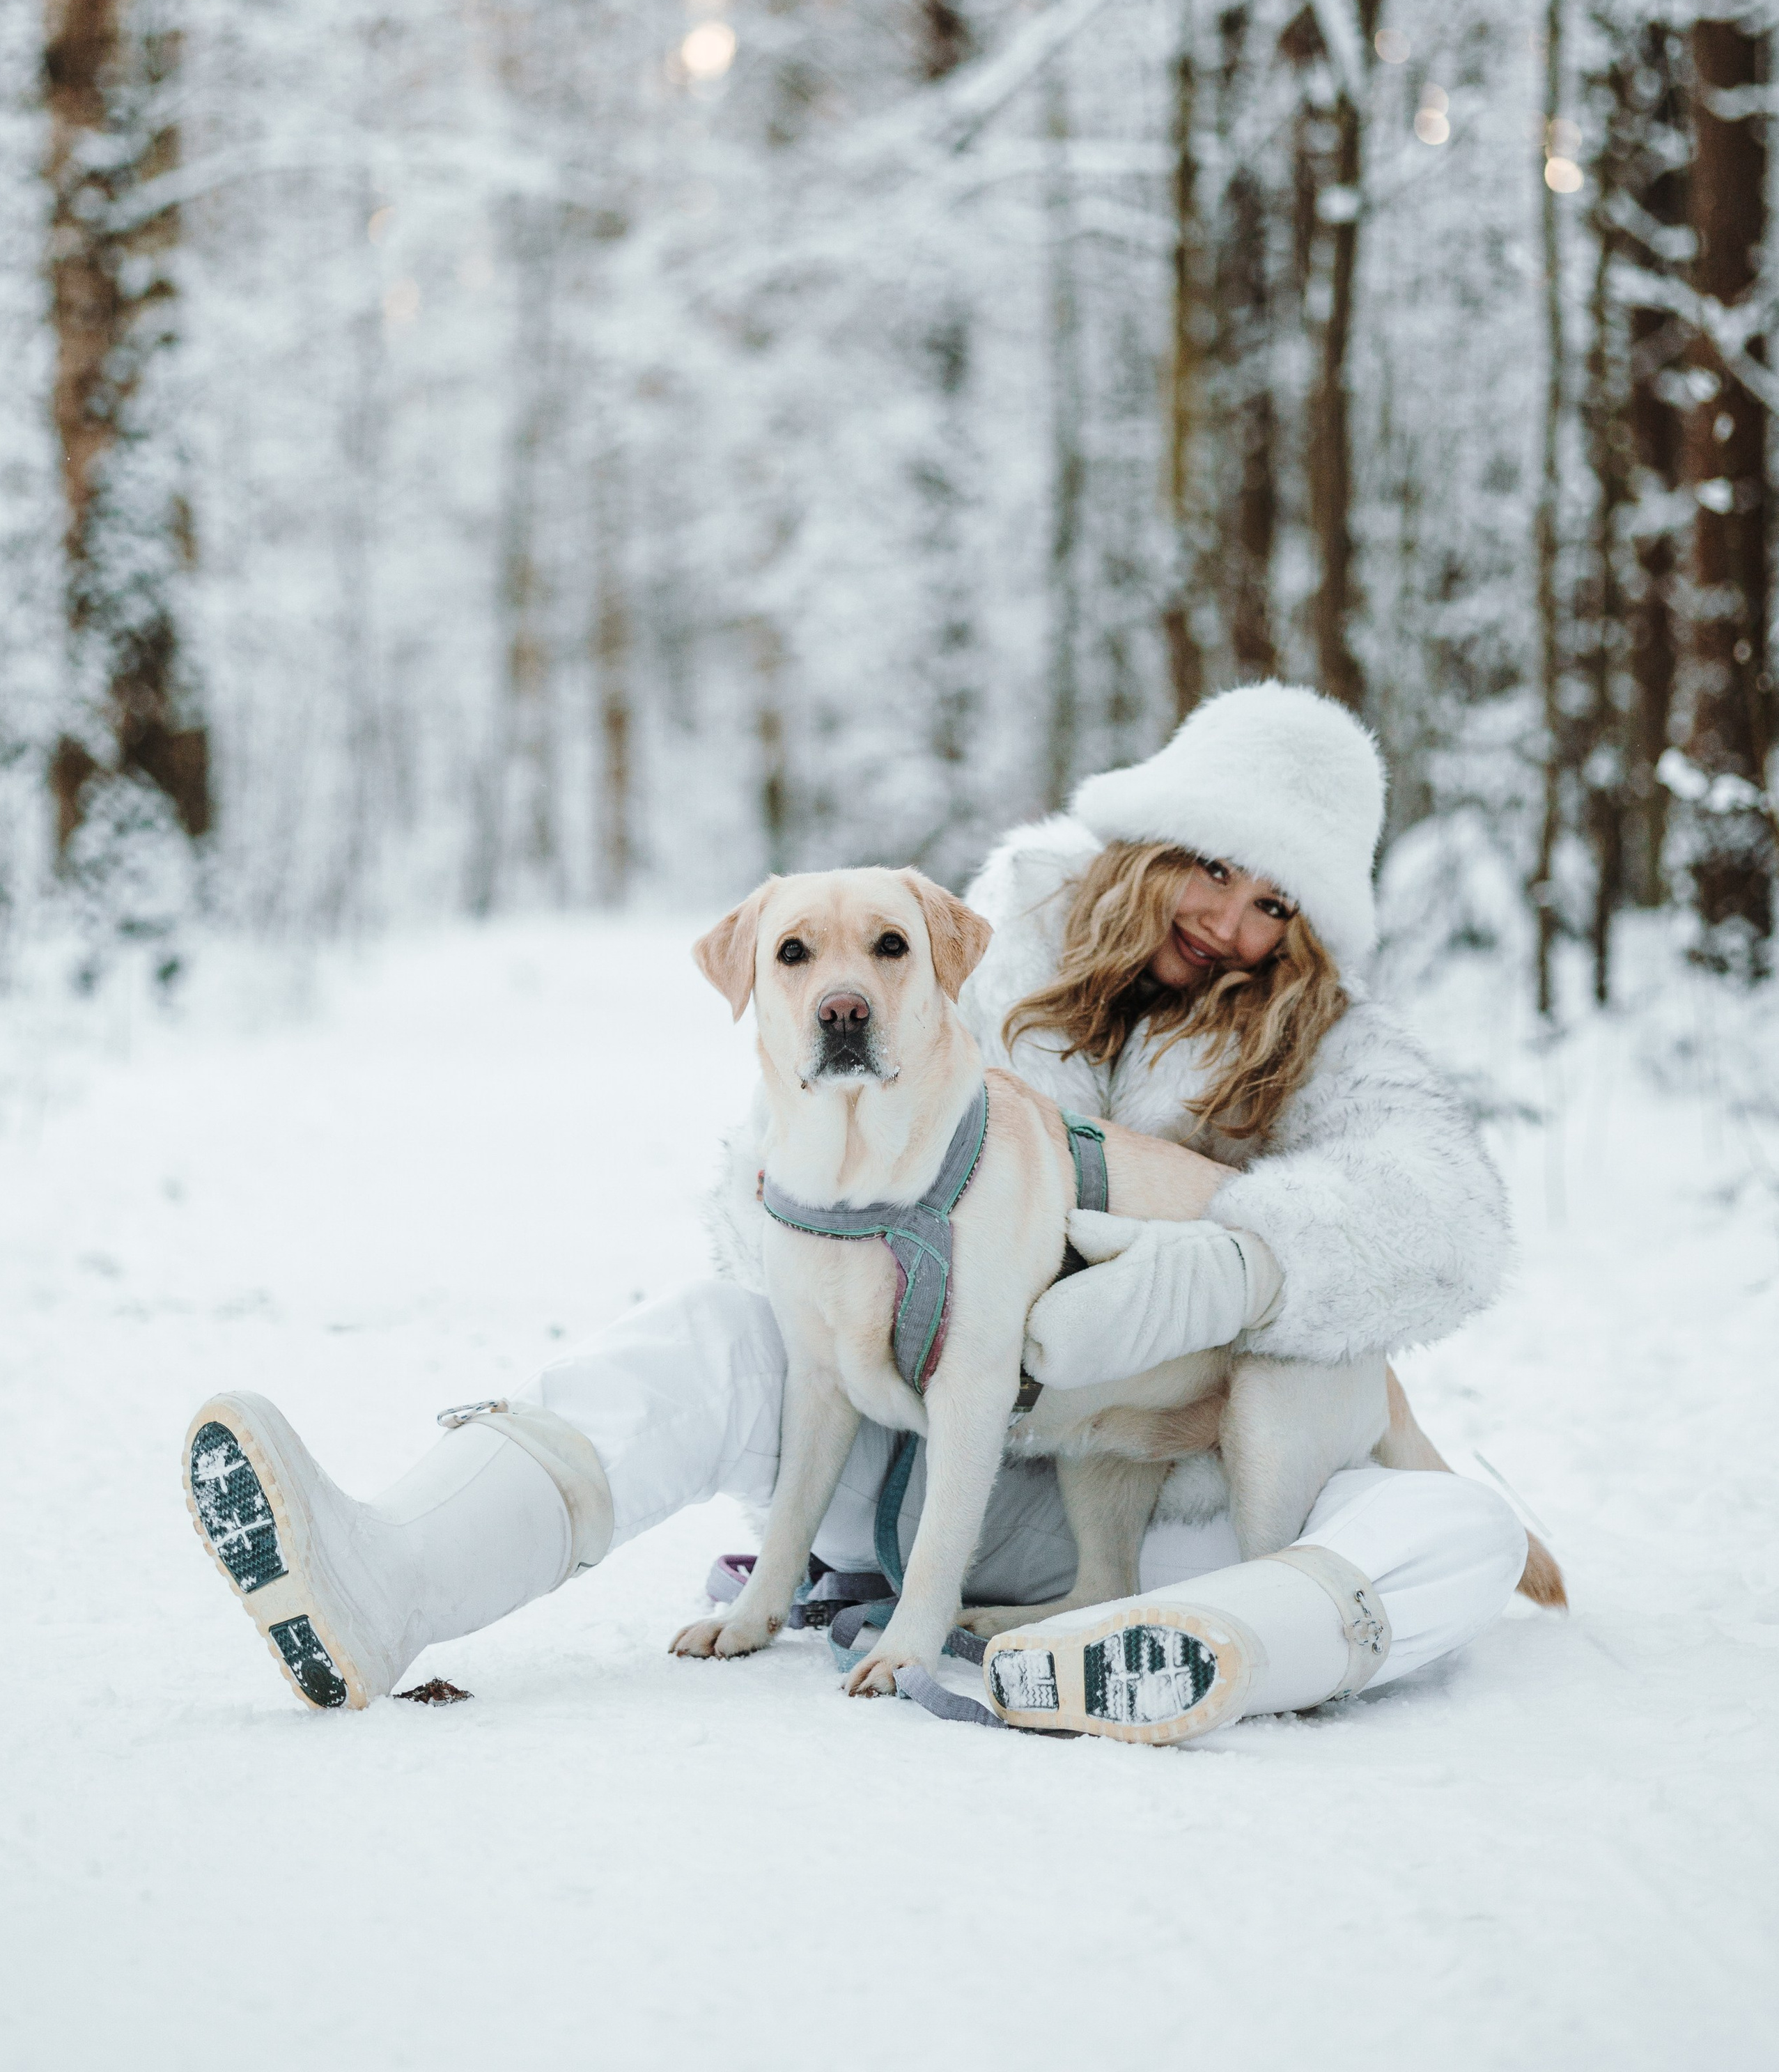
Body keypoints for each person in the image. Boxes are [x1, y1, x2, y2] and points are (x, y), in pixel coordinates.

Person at [185, 683, 1531, 1740]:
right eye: (1213, 868)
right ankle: (391, 1581)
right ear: (1148, 845)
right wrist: (829, 1231)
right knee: (720, 1332)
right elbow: (762, 1168)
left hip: (1173, 1494)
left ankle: (1210, 1656)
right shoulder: (952, 941)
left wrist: (1241, 1266)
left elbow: (1442, 1212)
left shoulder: (1333, 1044)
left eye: (1275, 903)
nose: (1232, 922)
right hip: (915, 1463)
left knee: (1459, 1526)